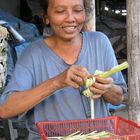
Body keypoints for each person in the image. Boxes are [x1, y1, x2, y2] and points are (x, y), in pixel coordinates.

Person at [0, 0, 127, 139]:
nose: (70, 18)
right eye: (60, 11)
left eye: (78, 10)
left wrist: (107, 89)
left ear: (85, 13)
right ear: (46, 17)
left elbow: (118, 99)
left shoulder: (100, 42)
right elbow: (5, 109)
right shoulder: (32, 54)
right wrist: (57, 82)